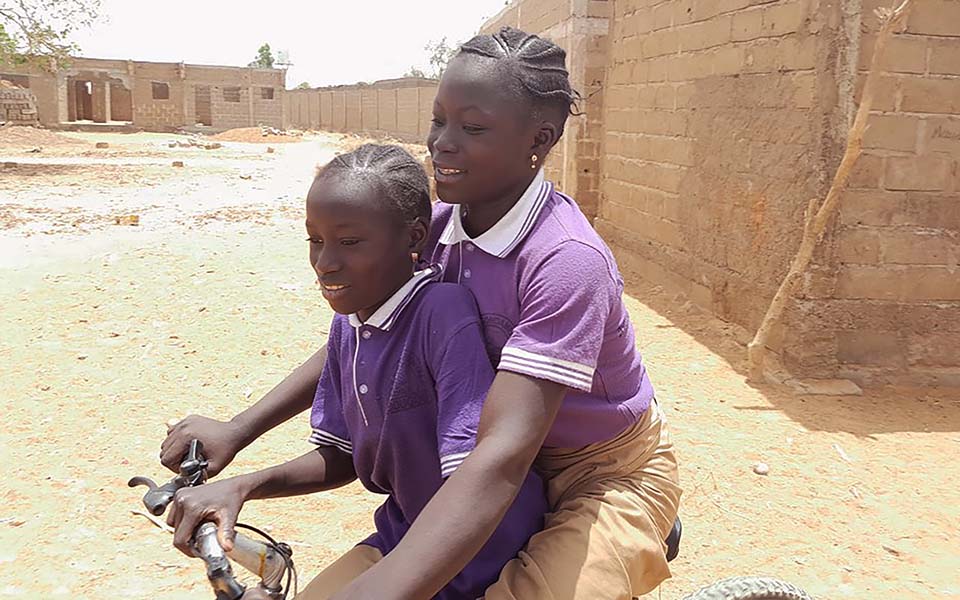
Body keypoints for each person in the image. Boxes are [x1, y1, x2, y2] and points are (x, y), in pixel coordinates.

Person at [164, 27, 681, 600]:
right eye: (439, 121)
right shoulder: (431, 230)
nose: (443, 144)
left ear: (540, 138)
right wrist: (239, 431)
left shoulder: (564, 261)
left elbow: (501, 456)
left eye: (473, 128)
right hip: (479, 468)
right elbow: (359, 337)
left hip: (598, 473)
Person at [165, 144, 547, 600]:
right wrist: (241, 486)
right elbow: (342, 455)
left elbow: (471, 480)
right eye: (315, 240)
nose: (325, 263)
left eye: (349, 242)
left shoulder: (443, 315)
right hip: (403, 534)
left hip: (474, 556)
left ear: (414, 238)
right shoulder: (351, 326)